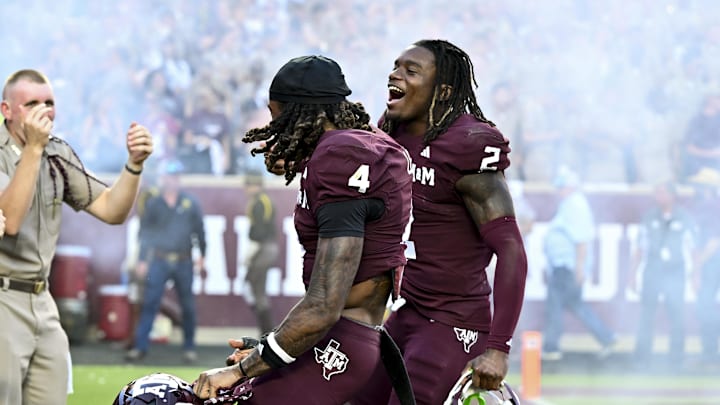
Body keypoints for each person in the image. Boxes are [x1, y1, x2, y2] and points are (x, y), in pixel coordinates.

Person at [192, 55, 414, 405]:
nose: (273, 124)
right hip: (343, 338)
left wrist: (241, 370)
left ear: (299, 111)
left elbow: (325, 306)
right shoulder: (364, 145)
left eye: (276, 112)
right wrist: (268, 350)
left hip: (339, 340)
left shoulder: (340, 154)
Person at [353, 39, 528, 405]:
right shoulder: (391, 131)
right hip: (407, 310)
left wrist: (498, 347)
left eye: (410, 70)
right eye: (396, 66)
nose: (395, 74)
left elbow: (511, 249)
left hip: (454, 320)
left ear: (443, 90)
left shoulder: (468, 144)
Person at [0, 69, 153, 405]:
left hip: (42, 299)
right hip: (3, 296)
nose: (45, 111)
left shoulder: (57, 153)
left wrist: (134, 165)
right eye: (32, 103)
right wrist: (33, 151)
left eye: (50, 102)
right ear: (6, 111)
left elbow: (112, 210)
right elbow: (9, 222)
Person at [126, 159, 206, 363]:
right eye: (169, 176)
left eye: (176, 177)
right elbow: (145, 234)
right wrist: (143, 260)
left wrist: (202, 256)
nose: (172, 181)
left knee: (188, 305)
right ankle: (140, 346)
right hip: (159, 259)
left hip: (184, 260)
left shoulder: (190, 203)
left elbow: (200, 231)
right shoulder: (154, 204)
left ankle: (189, 347)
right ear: (162, 179)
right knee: (150, 303)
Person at [541, 166, 616, 360]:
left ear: (570, 186)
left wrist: (579, 268)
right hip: (566, 265)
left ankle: (551, 347)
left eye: (561, 186)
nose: (558, 191)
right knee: (575, 305)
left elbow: (582, 239)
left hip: (567, 266)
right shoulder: (571, 204)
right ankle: (606, 337)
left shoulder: (575, 205)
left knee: (555, 306)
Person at [627, 182, 695, 364]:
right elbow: (640, 247)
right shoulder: (648, 217)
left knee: (677, 314)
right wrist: (632, 274)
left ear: (673, 195)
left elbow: (692, 248)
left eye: (662, 192)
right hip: (653, 270)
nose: (658, 196)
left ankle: (676, 359)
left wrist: (696, 275)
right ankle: (642, 358)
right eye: (656, 192)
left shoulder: (684, 217)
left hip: (675, 270)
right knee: (647, 314)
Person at [687, 168, 720, 365]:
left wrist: (696, 265)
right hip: (711, 262)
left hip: (712, 263)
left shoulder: (710, 207)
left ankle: (709, 353)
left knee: (704, 308)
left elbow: (714, 242)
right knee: (705, 307)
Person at [244, 171, 278, 335]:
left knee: (257, 291)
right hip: (264, 247)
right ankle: (265, 331)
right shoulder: (260, 201)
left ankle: (267, 332)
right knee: (252, 289)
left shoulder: (261, 203)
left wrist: (252, 251)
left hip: (264, 247)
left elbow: (261, 231)